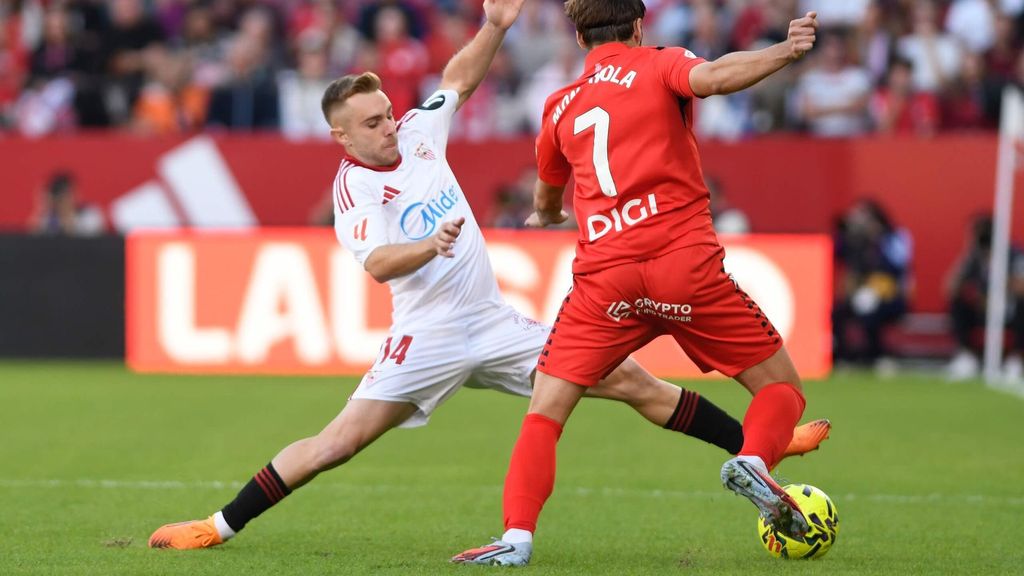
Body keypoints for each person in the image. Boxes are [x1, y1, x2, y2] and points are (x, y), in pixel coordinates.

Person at [147, 0, 830, 551]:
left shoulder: (417, 132)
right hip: (428, 337)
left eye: (386, 114)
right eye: (371, 123)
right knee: (337, 443)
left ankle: (759, 449)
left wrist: (494, 25)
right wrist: (429, 245)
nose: (389, 128)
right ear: (342, 138)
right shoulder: (354, 193)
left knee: (631, 381)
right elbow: (380, 264)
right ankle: (219, 525)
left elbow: (457, 81)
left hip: (494, 323)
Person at [454, 1, 820, 566]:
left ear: (578, 37)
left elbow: (547, 198)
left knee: (545, 413)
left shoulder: (559, 106)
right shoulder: (658, 64)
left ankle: (516, 537)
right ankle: (753, 460)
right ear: (638, 26)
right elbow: (717, 77)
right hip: (682, 265)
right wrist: (785, 51)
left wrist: (546, 217)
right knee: (783, 390)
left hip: (606, 281)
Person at [832, 199, 913, 366]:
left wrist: (877, 240)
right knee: (838, 313)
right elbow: (839, 254)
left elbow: (897, 266)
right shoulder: (857, 242)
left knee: (870, 312)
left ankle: (876, 355)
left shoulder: (895, 237)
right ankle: (843, 356)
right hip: (861, 292)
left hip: (891, 295)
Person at [946, 215, 1024, 382]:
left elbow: (1021, 288)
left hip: (1010, 308)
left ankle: (1017, 358)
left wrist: (1000, 275)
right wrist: (966, 259)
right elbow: (950, 287)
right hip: (983, 308)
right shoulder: (974, 257)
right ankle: (967, 356)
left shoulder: (1014, 253)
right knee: (958, 303)